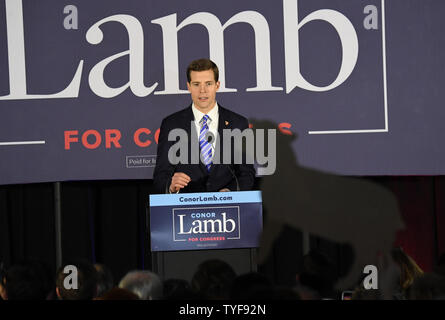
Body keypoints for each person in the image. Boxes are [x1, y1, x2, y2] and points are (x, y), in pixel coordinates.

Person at [153, 58, 255, 194]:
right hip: (185, 209)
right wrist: (171, 185)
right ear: (188, 86)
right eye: (196, 84)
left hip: (228, 208)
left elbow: (246, 173)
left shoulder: (238, 123)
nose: (203, 90)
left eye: (208, 83)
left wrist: (230, 192)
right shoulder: (171, 124)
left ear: (217, 85)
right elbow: (160, 175)